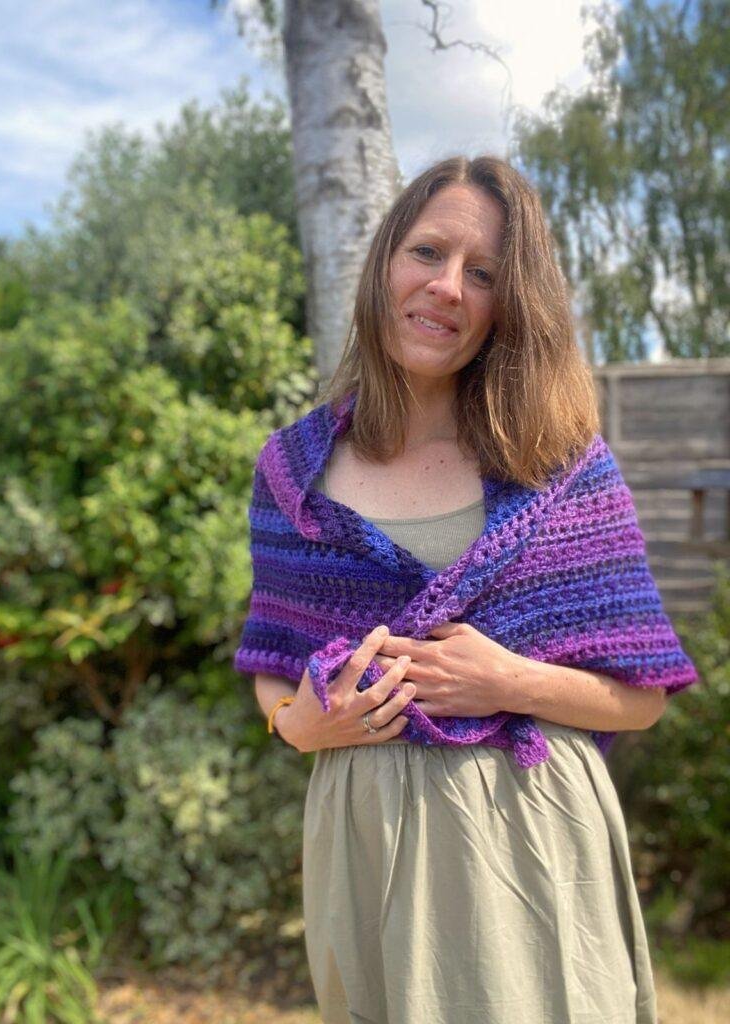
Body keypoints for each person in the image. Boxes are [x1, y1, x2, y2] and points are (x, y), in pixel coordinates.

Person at [233, 155, 698, 1024]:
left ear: (509, 306)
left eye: (482, 273)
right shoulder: (293, 473)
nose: (447, 286)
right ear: (383, 268)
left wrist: (508, 682)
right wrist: (296, 723)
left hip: (529, 841)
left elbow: (642, 700)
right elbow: (274, 659)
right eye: (426, 252)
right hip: (364, 841)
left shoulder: (563, 470)